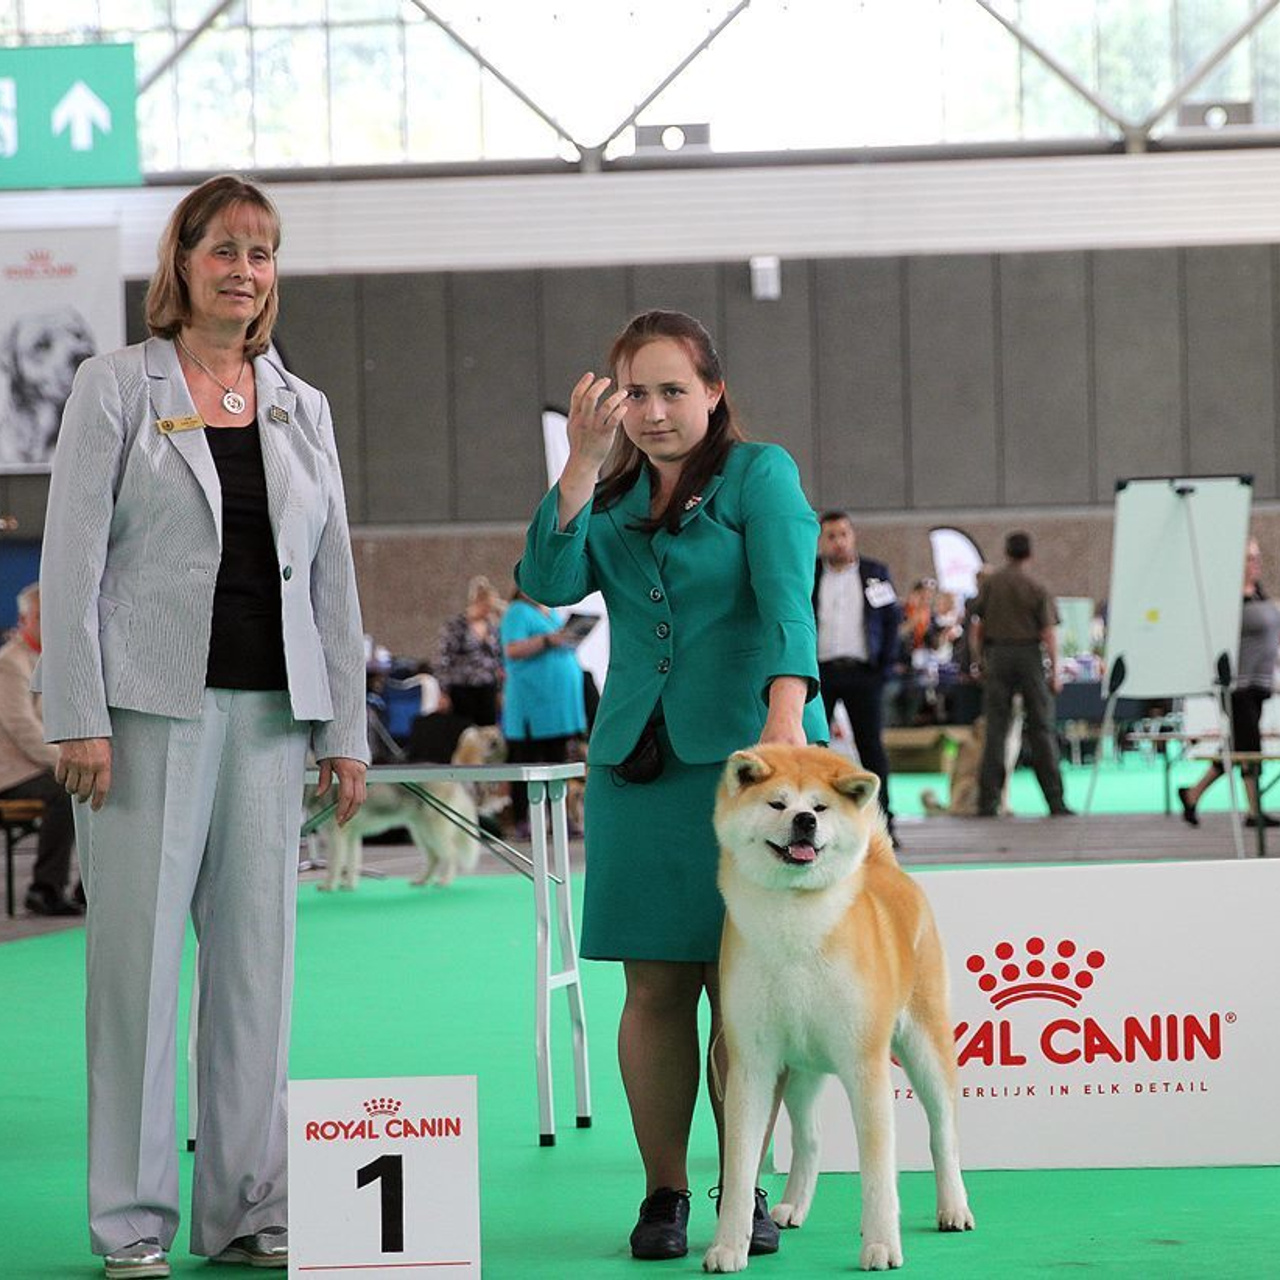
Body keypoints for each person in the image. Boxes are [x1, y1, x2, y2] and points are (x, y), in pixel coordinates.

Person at [36, 175, 368, 1279]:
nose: (243, 270)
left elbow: (333, 578)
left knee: (255, 973)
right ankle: (132, 1221)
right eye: (222, 249)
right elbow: (72, 560)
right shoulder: (113, 385)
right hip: (140, 718)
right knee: (135, 975)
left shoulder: (300, 404)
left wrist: (345, 731)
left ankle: (250, 1207)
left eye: (262, 253)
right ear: (179, 264)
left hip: (274, 718)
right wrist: (76, 714)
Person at [517, 310, 827, 1261]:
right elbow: (547, 580)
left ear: (714, 392)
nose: (653, 411)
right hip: (637, 770)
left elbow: (788, 604)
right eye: (634, 394)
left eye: (672, 391)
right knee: (654, 987)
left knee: (747, 993)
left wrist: (783, 723)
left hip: (750, 774)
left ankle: (747, 1190)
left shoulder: (759, 475)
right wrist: (577, 464)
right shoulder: (604, 496)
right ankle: (665, 1195)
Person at [1178, 536, 1280, 828]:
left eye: (1258, 557)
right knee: (1248, 747)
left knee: (1238, 746)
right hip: (1239, 686)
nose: (1255, 563)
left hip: (1259, 685)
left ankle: (1193, 794)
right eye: (1250, 558)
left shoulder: (1258, 594)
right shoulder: (1229, 600)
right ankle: (1253, 810)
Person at [969, 531, 1072, 817]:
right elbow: (1048, 632)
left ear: (1006, 552)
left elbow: (977, 624)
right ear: (1030, 554)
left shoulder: (991, 584)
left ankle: (987, 802)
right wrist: (1055, 670)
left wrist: (978, 660)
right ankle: (1055, 801)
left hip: (998, 656)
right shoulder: (1037, 586)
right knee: (1042, 729)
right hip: (1029, 657)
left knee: (996, 732)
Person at [812, 511, 901, 841]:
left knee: (871, 749)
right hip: (820, 674)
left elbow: (893, 621)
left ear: (853, 536)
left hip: (864, 673)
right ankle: (818, 825)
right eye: (832, 536)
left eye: (844, 534)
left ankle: (884, 824)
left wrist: (886, 667)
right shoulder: (811, 573)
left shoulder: (875, 574)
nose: (839, 542)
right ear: (823, 540)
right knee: (814, 749)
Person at [0, 584, 81, 915]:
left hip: (38, 765)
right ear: (26, 619)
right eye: (44, 617)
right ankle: (44, 889)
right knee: (68, 791)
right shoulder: (10, 663)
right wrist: (66, 760)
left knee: (85, 788)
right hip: (11, 773)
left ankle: (86, 888)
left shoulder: (51, 660)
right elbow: (23, 730)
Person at [498, 588, 587, 837]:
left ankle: (559, 816)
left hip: (557, 705)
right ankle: (523, 820)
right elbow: (512, 649)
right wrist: (547, 640)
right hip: (532, 705)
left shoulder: (552, 610)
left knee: (558, 762)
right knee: (526, 761)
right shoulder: (517, 612)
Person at [436, 574, 504, 726]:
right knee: (464, 731)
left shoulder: (493, 628)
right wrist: (443, 691)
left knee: (488, 732)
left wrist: (500, 690)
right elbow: (444, 660)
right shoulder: (456, 626)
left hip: (487, 687)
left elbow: (497, 660)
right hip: (461, 687)